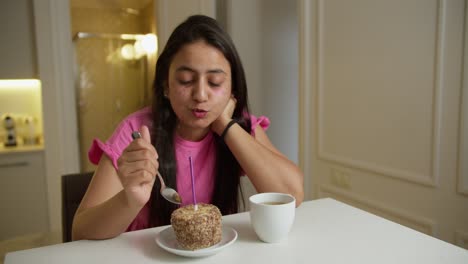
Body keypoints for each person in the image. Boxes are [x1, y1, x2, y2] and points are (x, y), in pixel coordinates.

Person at [72, 15, 304, 241]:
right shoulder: (136, 132)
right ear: (166, 84)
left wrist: (225, 125)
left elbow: (292, 195)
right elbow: (80, 231)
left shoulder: (240, 125)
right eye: (185, 80)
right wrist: (129, 199)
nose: (200, 95)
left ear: (233, 86)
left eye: (215, 82)